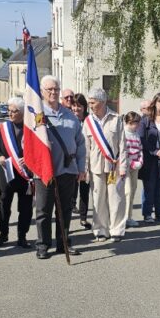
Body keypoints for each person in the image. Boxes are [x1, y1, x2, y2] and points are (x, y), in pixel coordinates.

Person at [34, 76, 87, 259]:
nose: (53, 92)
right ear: (42, 91)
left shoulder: (70, 115)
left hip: (68, 169)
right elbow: (28, 143)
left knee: (64, 210)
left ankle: (63, 242)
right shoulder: (36, 115)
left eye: (56, 89)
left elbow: (80, 144)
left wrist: (81, 168)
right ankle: (43, 244)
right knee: (43, 210)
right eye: (49, 89)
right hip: (45, 171)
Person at [83, 87, 128, 242]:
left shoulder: (116, 118)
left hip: (114, 167)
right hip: (95, 167)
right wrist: (84, 170)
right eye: (89, 102)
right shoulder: (88, 121)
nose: (90, 105)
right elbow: (85, 148)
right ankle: (100, 230)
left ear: (102, 102)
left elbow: (123, 145)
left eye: (92, 102)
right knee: (98, 200)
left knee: (116, 199)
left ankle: (116, 230)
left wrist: (122, 167)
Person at [0, 97, 34, 249]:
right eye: (8, 110)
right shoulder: (2, 128)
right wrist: (0, 157)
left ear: (22, 112)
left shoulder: (31, 129)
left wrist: (29, 159)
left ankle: (22, 236)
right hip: (7, 174)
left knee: (25, 208)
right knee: (4, 206)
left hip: (25, 175)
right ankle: (3, 234)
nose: (10, 113)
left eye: (13, 111)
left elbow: (37, 151)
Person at [140, 92, 160, 223]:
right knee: (150, 187)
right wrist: (155, 151)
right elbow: (142, 139)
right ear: (155, 103)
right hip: (150, 159)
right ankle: (147, 214)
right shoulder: (146, 120)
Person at [70, 93, 91, 231]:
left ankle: (83, 218)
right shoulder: (68, 118)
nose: (76, 109)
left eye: (79, 106)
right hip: (71, 160)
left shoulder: (90, 120)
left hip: (86, 160)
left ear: (84, 107)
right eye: (74, 106)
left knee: (85, 190)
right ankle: (70, 210)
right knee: (71, 190)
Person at [123, 111, 144, 228]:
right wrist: (131, 163)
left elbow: (140, 150)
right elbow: (123, 151)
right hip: (126, 167)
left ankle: (129, 217)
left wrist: (140, 162)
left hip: (135, 166)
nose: (138, 125)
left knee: (133, 191)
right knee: (127, 192)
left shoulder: (136, 134)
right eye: (136, 123)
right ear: (130, 122)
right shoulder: (124, 134)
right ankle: (124, 218)